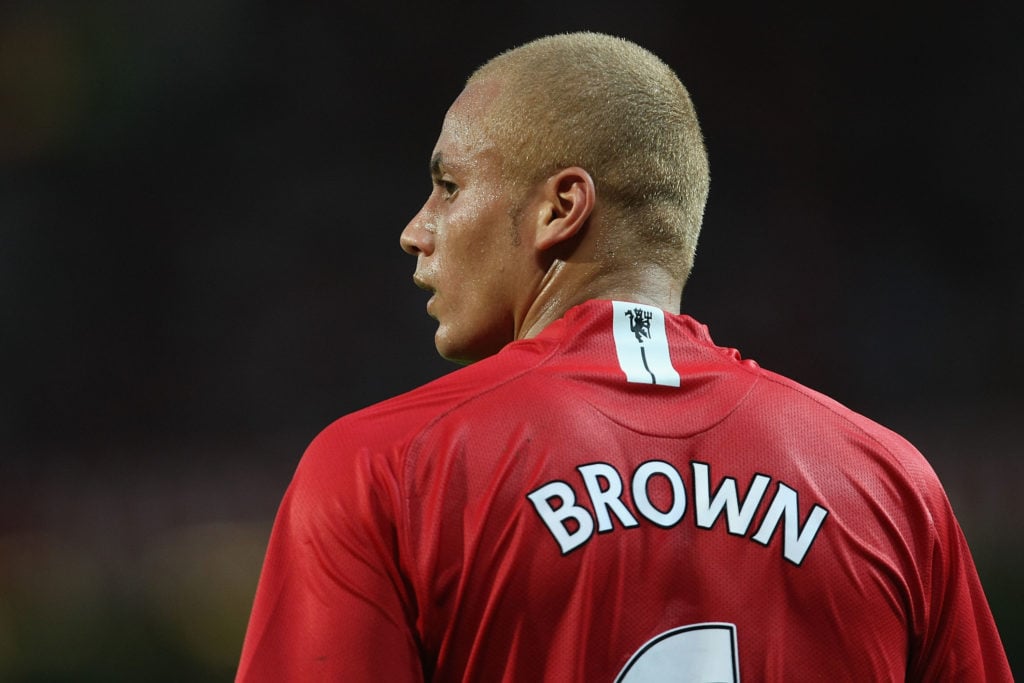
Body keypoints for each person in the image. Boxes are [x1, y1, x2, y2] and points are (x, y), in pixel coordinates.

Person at [236, 32, 1011, 681]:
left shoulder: (388, 471)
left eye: (447, 184)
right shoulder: (890, 487)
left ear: (560, 208)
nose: (416, 228)